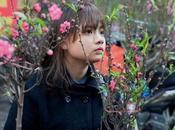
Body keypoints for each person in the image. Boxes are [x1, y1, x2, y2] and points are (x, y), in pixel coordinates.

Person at [4, 0, 106, 130]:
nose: (99, 39)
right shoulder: (34, 89)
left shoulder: (105, 90)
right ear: (63, 40)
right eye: (88, 31)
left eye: (101, 32)